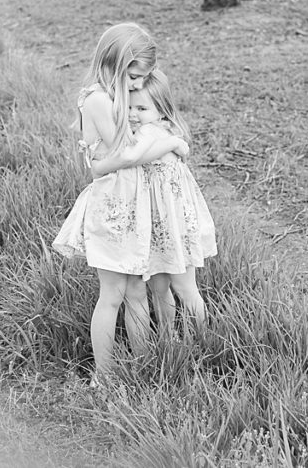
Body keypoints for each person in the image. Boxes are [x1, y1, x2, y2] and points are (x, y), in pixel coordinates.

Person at [51, 23, 189, 377]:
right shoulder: (97, 98)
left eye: (141, 79)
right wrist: (173, 143)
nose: (136, 85)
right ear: (114, 60)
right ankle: (105, 374)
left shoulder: (115, 95)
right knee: (111, 294)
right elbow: (127, 154)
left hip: (131, 204)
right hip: (113, 207)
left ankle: (142, 364)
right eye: (133, 76)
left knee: (136, 292)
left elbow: (123, 154)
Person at [93, 69, 216, 336]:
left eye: (142, 108)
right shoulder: (162, 131)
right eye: (129, 107)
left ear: (161, 110)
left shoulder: (151, 132)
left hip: (172, 225)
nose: (134, 114)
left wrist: (98, 165)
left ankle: (204, 338)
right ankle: (167, 336)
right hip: (160, 222)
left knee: (184, 287)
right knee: (160, 286)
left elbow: (131, 154)